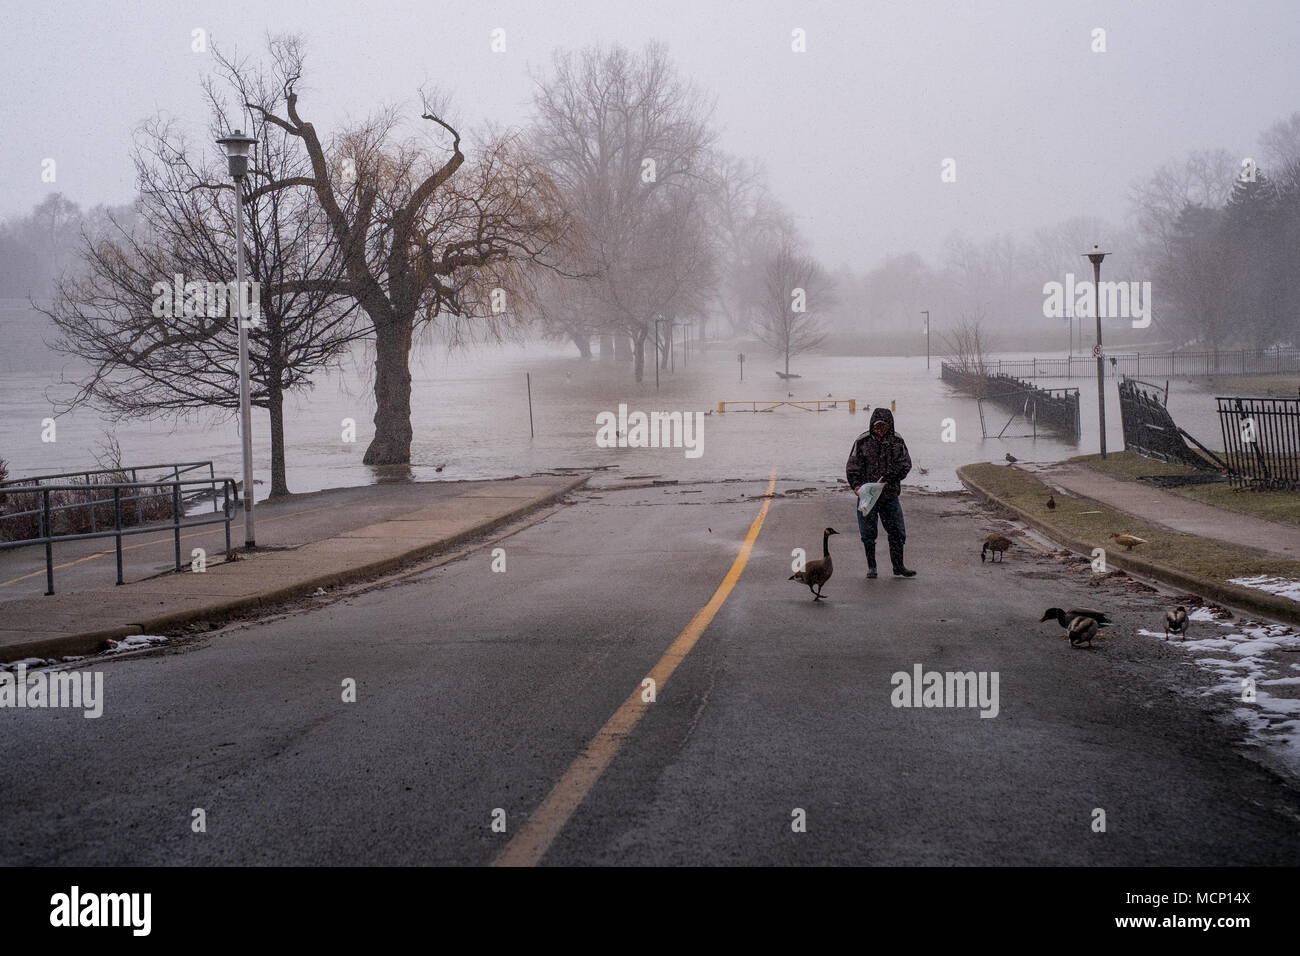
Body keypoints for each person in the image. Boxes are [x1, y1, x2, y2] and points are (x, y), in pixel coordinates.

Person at [845, 407, 915, 578]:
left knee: (897, 532)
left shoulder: (898, 441)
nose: (880, 429)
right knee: (868, 533)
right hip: (867, 498)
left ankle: (898, 566)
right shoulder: (862, 441)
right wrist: (855, 486)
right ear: (872, 425)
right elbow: (852, 466)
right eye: (877, 426)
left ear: (889, 425)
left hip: (890, 495)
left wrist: (894, 475)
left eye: (883, 426)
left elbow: (906, 464)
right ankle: (872, 567)